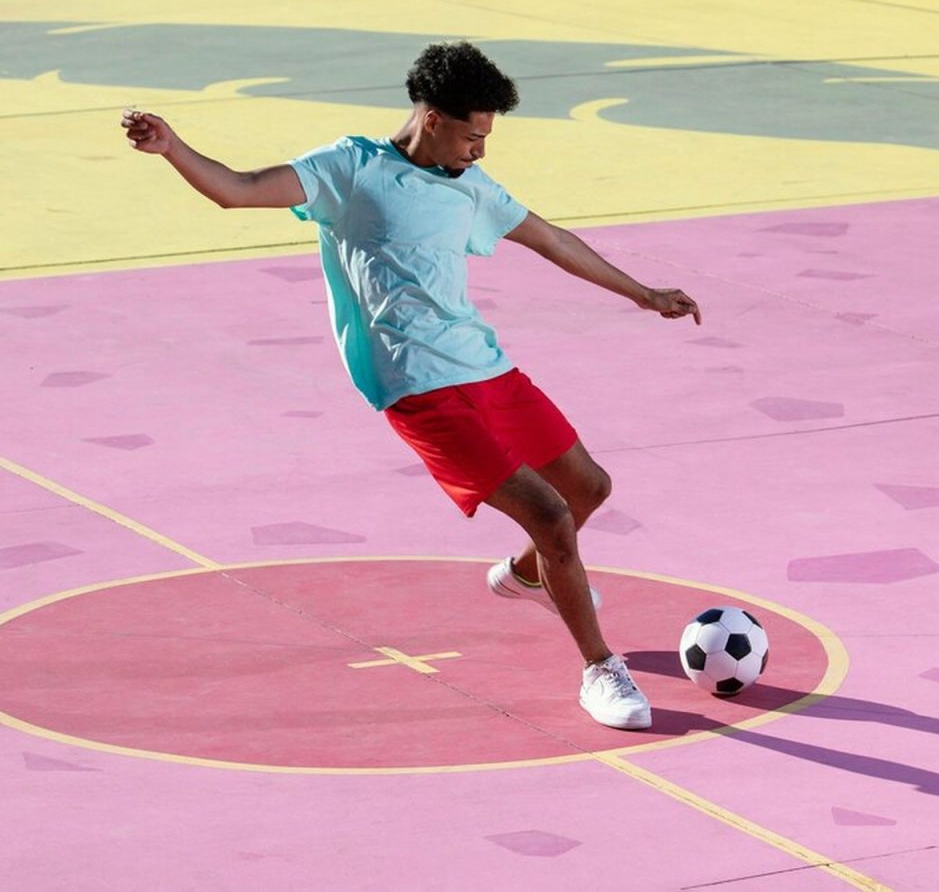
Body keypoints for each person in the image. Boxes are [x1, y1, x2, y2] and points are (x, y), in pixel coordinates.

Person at [121, 41, 701, 731]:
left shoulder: (470, 187)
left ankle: (524, 576)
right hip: (418, 386)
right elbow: (238, 189)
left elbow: (551, 239)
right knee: (549, 516)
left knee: (589, 490)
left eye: (487, 137)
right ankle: (600, 669)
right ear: (431, 119)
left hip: (485, 366)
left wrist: (641, 293)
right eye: (471, 135)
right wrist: (175, 148)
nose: (480, 151)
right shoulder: (351, 169)